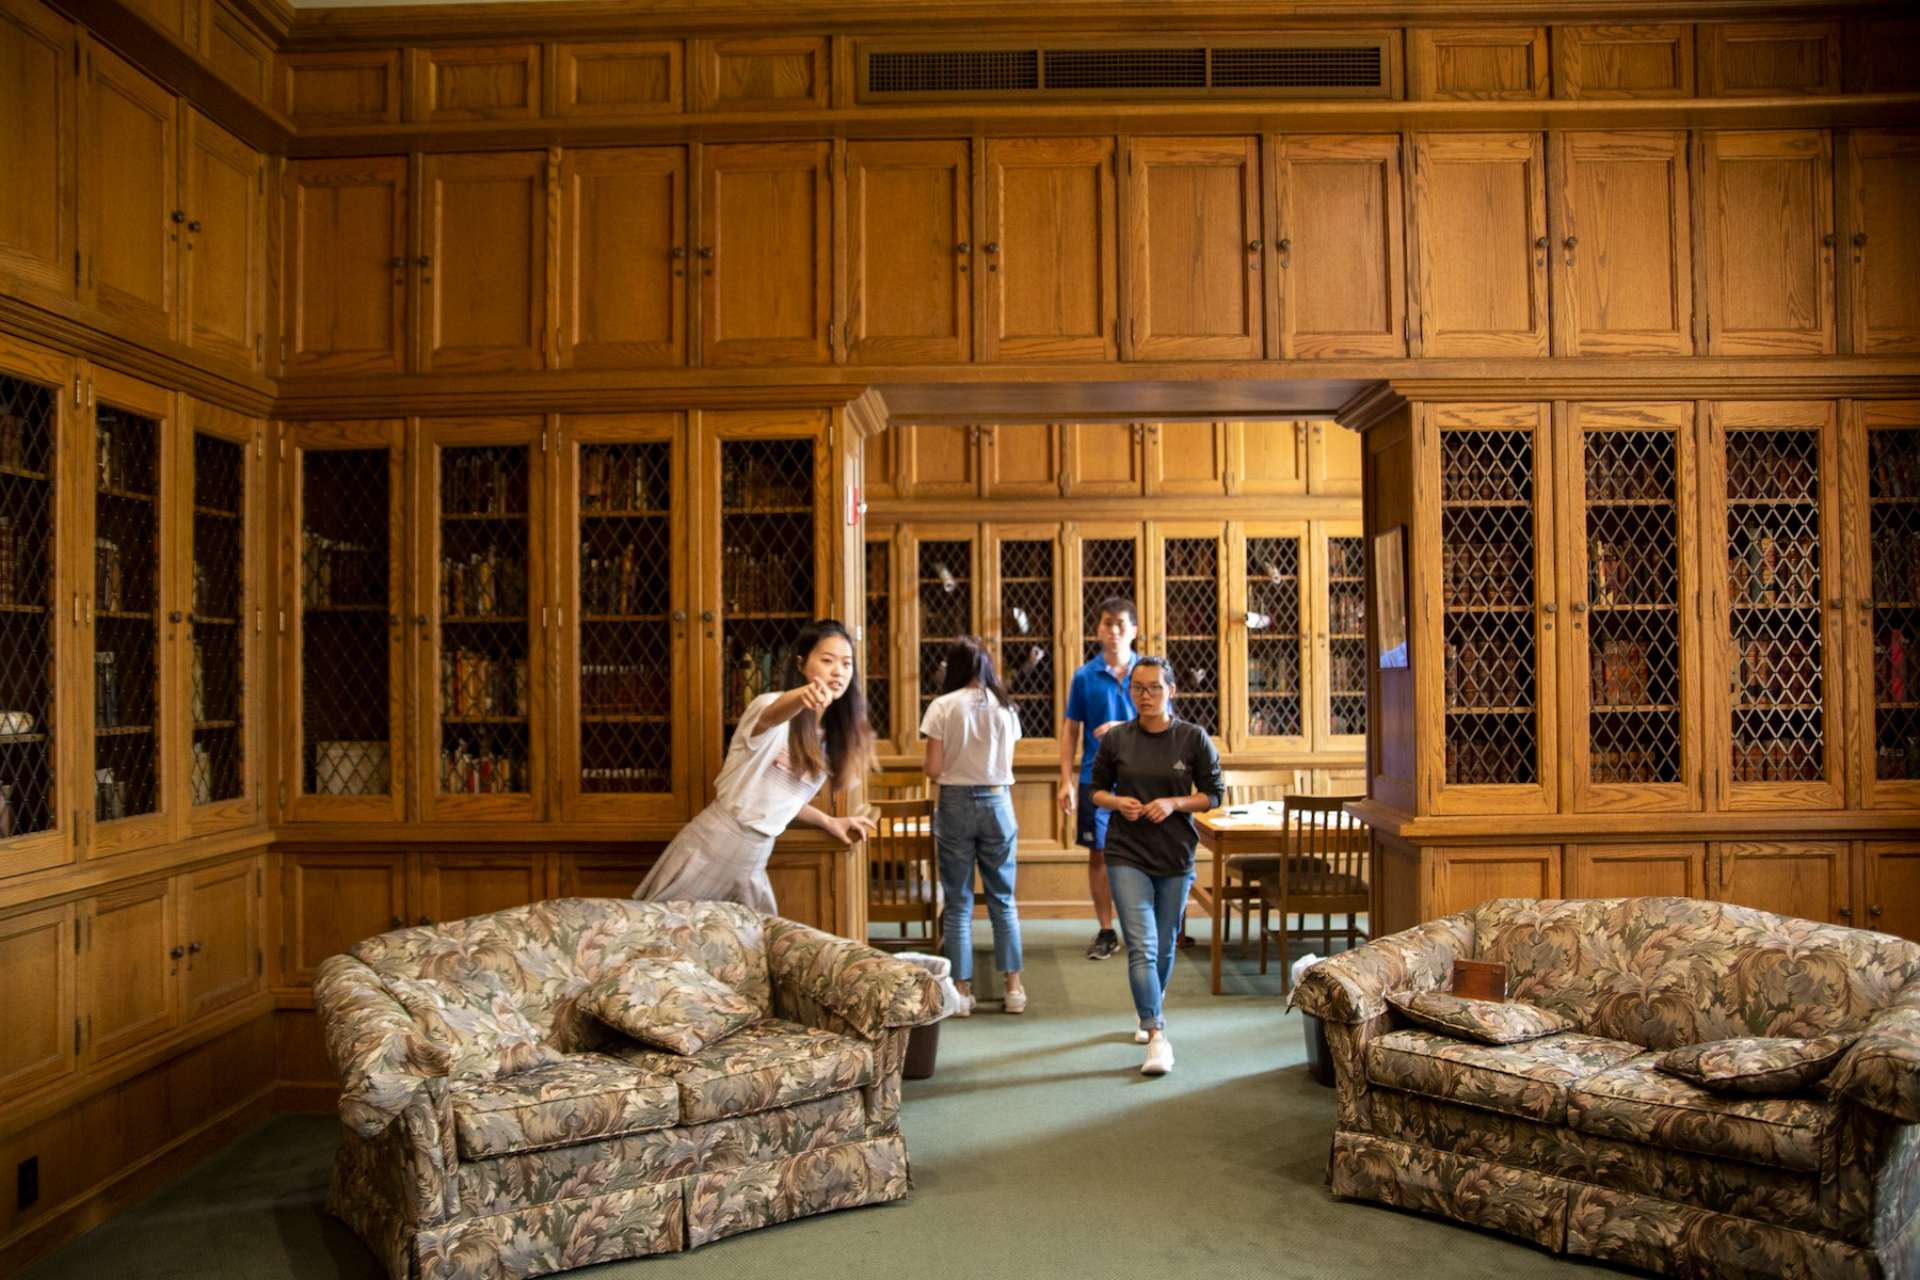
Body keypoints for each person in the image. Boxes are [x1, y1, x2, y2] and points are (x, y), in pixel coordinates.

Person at [636, 620, 875, 912]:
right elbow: (772, 716)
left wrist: (828, 821)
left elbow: (780, 798)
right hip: (713, 845)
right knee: (658, 937)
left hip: (755, 855)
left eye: (846, 664)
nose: (838, 671)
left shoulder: (830, 733)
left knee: (744, 949)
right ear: (801, 663)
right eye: (827, 661)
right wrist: (802, 696)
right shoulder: (769, 705)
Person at [1088, 656, 1222, 1076]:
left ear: (1171, 692)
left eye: (1154, 689)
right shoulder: (1117, 740)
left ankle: (1148, 1005)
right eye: (1138, 689)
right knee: (1142, 946)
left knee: (1164, 946)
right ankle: (1157, 1034)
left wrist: (1174, 803)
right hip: (1126, 852)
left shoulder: (1193, 738)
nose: (1145, 697)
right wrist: (1116, 802)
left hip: (1176, 855)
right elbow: (1095, 790)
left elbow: (1214, 794)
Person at [921, 637, 1027, 1016]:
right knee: (1003, 898)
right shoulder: (1006, 708)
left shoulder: (941, 707)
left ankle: (962, 993)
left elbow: (933, 769)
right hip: (998, 801)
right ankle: (1013, 989)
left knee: (959, 901)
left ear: (953, 667)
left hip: (955, 804)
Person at [1059, 597, 1139, 961]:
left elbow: (1168, 725)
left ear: (1134, 630)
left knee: (1141, 856)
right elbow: (1070, 729)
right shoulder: (1083, 676)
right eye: (1108, 624)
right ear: (1098, 630)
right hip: (1097, 780)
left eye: (1122, 624)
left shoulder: (1150, 673)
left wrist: (1120, 728)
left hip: (1142, 779)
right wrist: (1065, 780)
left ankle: (1139, 928)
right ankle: (1107, 930)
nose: (1114, 631)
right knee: (1099, 856)